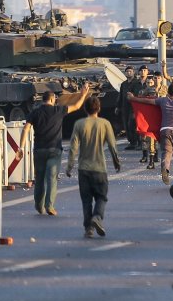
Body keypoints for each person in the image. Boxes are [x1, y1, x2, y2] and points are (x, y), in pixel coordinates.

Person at [18, 84, 90, 216]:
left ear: (43, 100)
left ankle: (39, 206)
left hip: (39, 150)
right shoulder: (59, 110)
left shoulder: (35, 112)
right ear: (52, 100)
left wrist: (20, 147)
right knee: (52, 177)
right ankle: (49, 206)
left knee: (39, 178)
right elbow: (77, 106)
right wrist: (83, 94)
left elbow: (26, 128)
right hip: (54, 150)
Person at [66, 96, 121, 238]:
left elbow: (73, 147)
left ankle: (88, 229)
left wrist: (69, 166)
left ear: (85, 109)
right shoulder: (105, 124)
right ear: (99, 108)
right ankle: (97, 217)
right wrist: (116, 162)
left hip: (83, 169)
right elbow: (112, 145)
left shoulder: (79, 124)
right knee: (101, 197)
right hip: (99, 168)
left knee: (86, 200)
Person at [132, 82, 173, 185]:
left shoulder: (163, 100)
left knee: (166, 153)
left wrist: (133, 98)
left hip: (165, 130)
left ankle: (165, 168)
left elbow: (147, 100)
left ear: (168, 93)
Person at [116, 66, 140, 150]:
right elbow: (121, 96)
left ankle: (137, 141)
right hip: (124, 107)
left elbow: (138, 94)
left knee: (131, 124)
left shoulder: (137, 83)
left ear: (133, 72)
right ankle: (132, 142)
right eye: (127, 71)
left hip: (133, 107)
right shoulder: (124, 84)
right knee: (126, 125)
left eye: (130, 71)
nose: (128, 73)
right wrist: (118, 107)